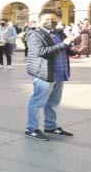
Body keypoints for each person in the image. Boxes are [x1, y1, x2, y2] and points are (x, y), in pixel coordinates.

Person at [24, 10, 77, 140]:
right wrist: (64, 44)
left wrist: (73, 50)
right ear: (39, 21)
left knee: (53, 102)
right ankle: (31, 129)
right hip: (44, 73)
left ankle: (51, 126)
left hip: (59, 72)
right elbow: (41, 51)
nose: (51, 21)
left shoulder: (59, 33)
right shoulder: (34, 34)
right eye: (47, 19)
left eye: (53, 19)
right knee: (37, 102)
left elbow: (64, 48)